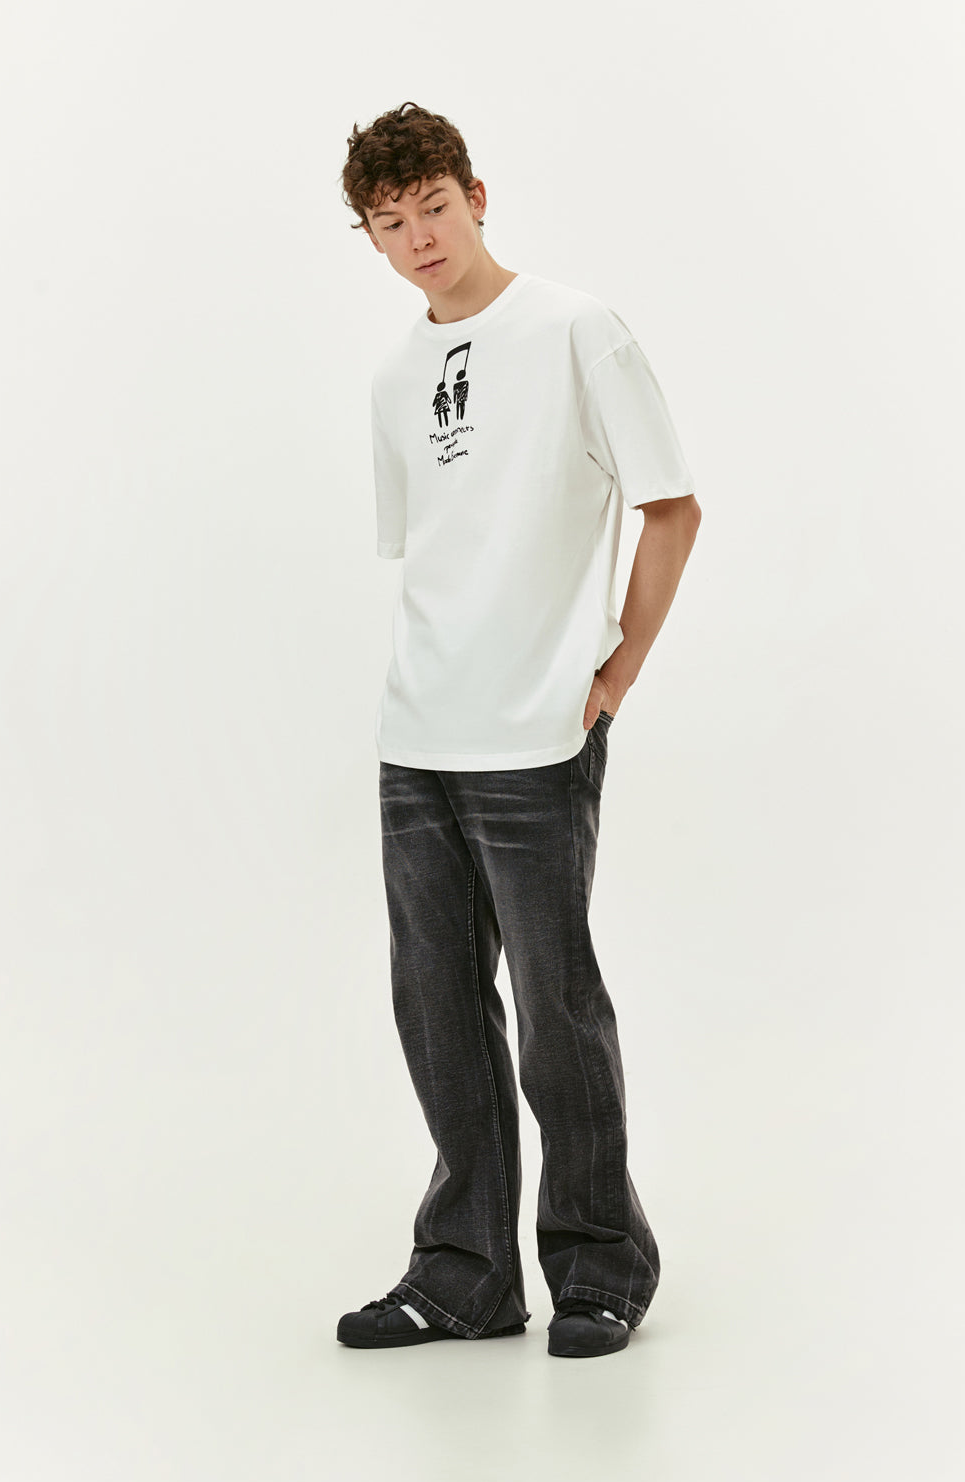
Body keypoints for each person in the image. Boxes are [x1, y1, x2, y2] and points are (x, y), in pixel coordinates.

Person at [336, 102, 701, 1359]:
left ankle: (598, 1265)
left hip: (537, 733)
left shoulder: (574, 330)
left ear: (476, 196)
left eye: (433, 206)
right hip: (416, 734)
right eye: (390, 222)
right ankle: (465, 1275)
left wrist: (619, 666)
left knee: (556, 1009)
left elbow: (669, 504)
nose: (418, 237)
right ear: (371, 239)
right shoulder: (393, 378)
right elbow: (433, 553)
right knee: (437, 1010)